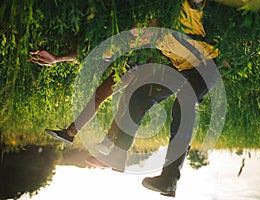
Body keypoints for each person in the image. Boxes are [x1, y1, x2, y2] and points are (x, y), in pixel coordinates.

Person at [29, 0, 218, 197]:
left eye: (143, 28)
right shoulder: (146, 36)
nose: (139, 33)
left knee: (183, 104)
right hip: (182, 70)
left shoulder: (184, 13)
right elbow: (100, 53)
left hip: (205, 67)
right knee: (137, 98)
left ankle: (170, 179)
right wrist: (58, 59)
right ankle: (118, 157)